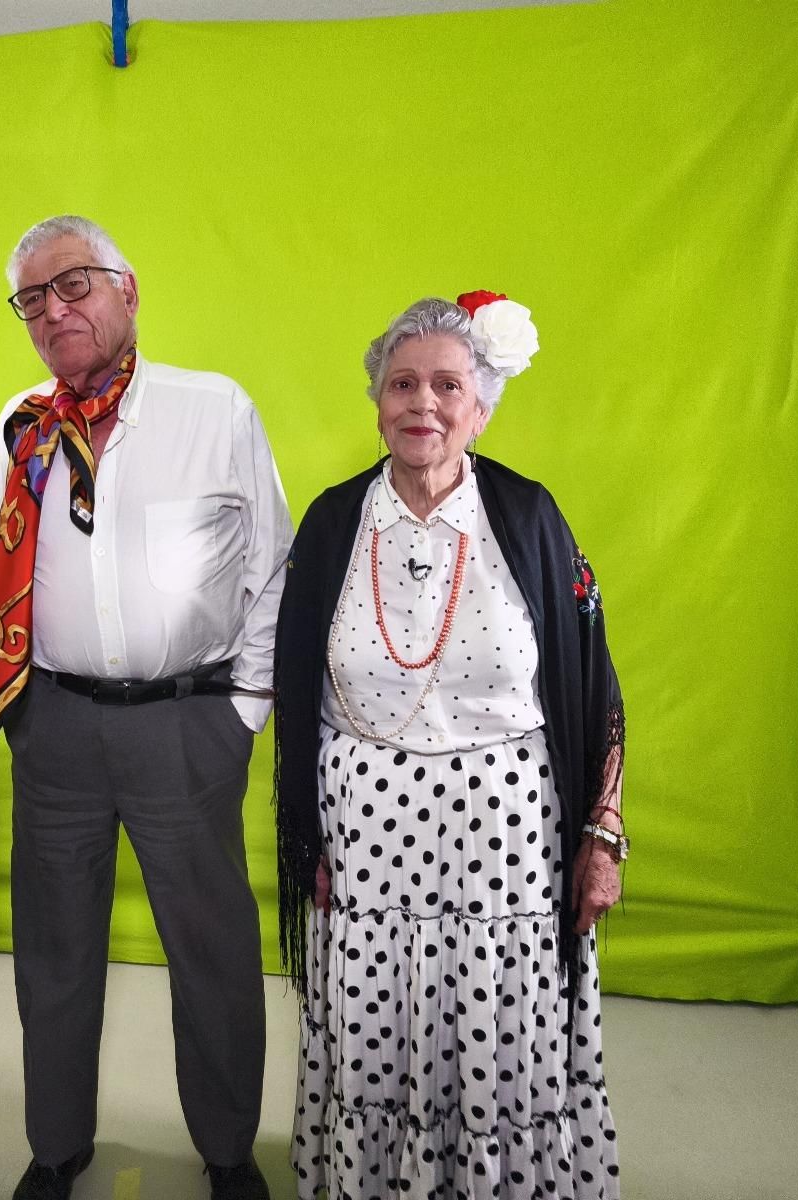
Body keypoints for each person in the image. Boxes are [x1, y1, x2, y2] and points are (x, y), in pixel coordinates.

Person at [273, 294, 625, 1199]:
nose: (420, 403)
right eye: (401, 383)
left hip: (506, 842)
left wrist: (603, 836)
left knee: (495, 1037)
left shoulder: (529, 516)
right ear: (377, 401)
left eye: (445, 385)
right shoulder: (332, 522)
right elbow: (298, 692)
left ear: (482, 405)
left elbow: (598, 691)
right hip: (367, 839)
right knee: (372, 1040)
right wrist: (304, 836)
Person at [0, 216, 292, 1200]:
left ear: (127, 288)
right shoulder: (20, 425)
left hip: (187, 725)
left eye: (72, 284)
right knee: (53, 951)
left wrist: (242, 707)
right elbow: (11, 568)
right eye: (31, 298)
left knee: (211, 949)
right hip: (56, 727)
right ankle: (56, 1146)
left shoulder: (215, 409)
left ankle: (228, 1151)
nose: (53, 310)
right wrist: (27, 706)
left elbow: (272, 563)